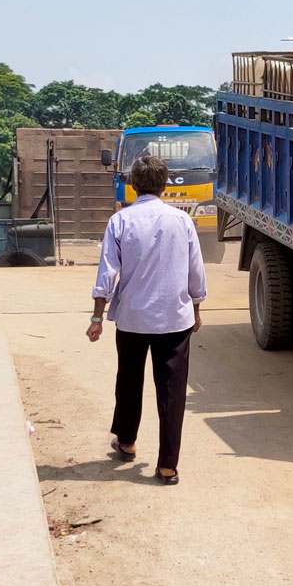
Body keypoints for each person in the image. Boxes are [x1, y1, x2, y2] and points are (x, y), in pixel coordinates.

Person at [87, 153, 206, 484]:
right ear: (165, 184)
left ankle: (126, 442)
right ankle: (167, 466)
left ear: (133, 185)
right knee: (172, 392)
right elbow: (196, 270)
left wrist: (97, 317)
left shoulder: (120, 221)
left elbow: (106, 273)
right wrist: (195, 308)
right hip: (174, 318)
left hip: (133, 318)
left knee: (129, 381)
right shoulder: (181, 220)